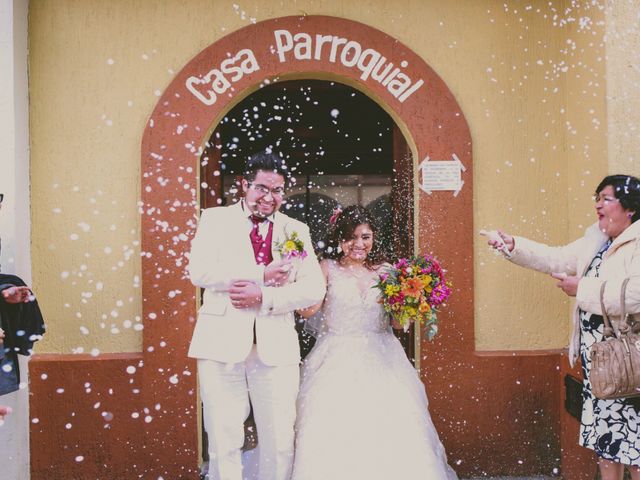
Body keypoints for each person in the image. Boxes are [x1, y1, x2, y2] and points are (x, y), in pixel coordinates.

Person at [485, 174, 640, 480]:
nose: (598, 205)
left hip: (631, 360)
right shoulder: (596, 240)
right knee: (606, 442)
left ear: (630, 208)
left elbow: (635, 294)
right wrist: (512, 245)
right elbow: (554, 257)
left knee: (635, 447)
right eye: (597, 198)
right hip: (601, 364)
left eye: (606, 199)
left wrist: (582, 290)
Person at [291, 205, 458, 480]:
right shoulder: (327, 268)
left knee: (392, 422)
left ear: (374, 237)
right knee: (335, 422)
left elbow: (395, 323)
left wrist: (412, 303)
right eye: (351, 237)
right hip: (336, 356)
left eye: (365, 237)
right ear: (339, 239)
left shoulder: (387, 270)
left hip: (383, 355)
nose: (358, 244)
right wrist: (294, 279)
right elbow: (308, 310)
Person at [187, 151, 326, 480]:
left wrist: (265, 296)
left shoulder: (296, 229)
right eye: (262, 188)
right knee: (223, 438)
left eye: (277, 190)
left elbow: (313, 289)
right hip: (220, 343)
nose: (269, 197)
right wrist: (260, 274)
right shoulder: (214, 219)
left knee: (279, 441)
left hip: (276, 347)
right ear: (244, 185)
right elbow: (200, 272)